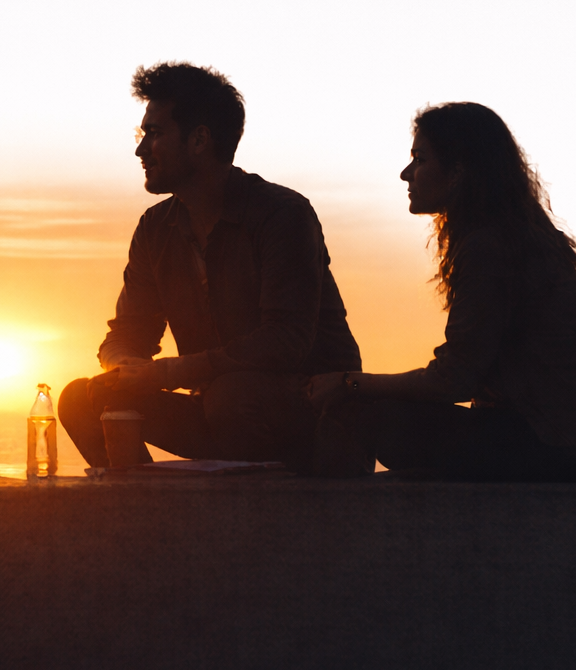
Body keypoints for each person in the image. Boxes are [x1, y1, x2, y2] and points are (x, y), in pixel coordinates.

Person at [306, 102, 576, 481]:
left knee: (364, 412)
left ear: (458, 172)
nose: (406, 173)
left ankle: (328, 525)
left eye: (420, 159)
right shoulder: (524, 238)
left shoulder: (488, 247)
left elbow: (453, 379)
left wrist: (352, 383)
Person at [58, 63, 362, 471]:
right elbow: (127, 333)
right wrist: (124, 367)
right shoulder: (155, 228)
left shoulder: (282, 215)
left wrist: (165, 373)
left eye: (154, 133)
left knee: (232, 395)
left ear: (199, 139)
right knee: (82, 398)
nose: (140, 149)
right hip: (219, 415)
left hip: (312, 421)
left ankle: (257, 519)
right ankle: (142, 514)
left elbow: (286, 341)